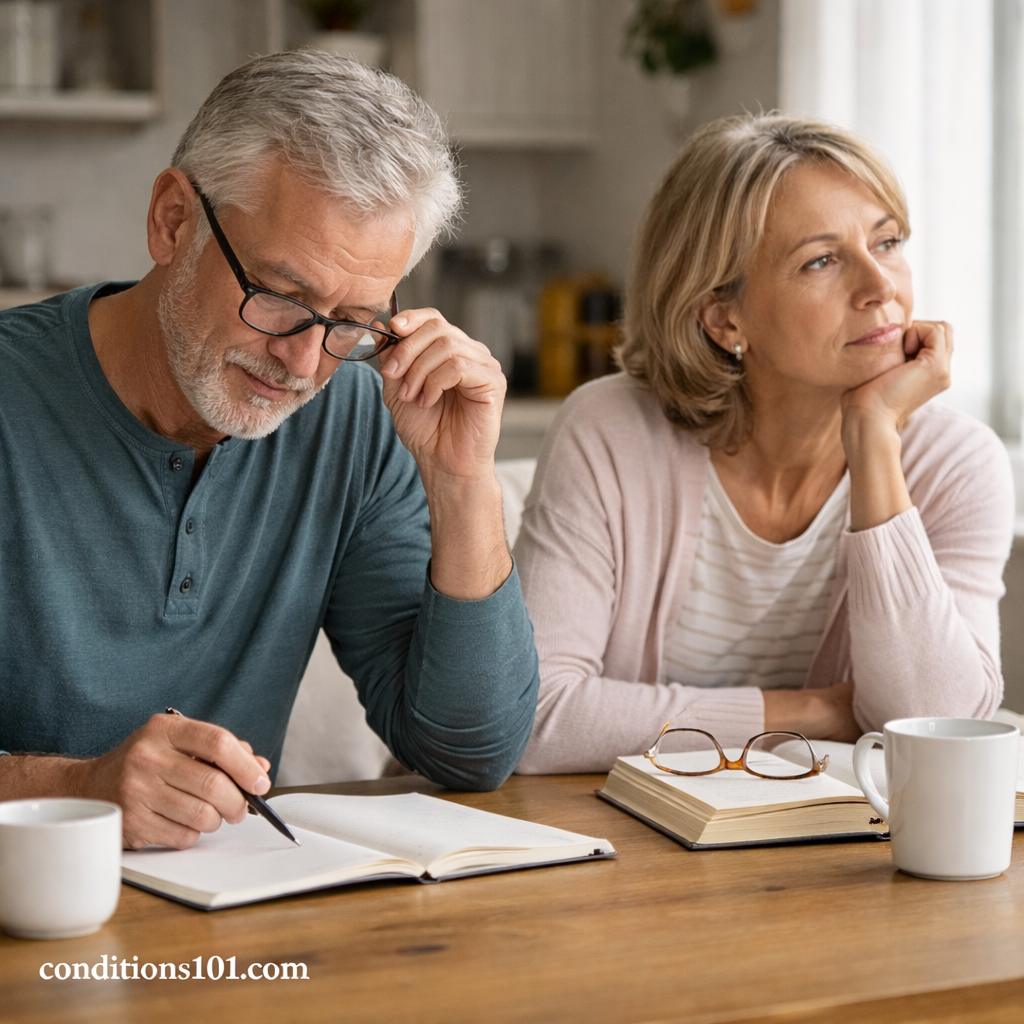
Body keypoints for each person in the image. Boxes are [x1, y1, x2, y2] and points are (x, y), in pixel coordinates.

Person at [0, 51, 539, 848]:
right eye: (280, 297)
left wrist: (462, 483)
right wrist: (74, 789)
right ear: (172, 220)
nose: (304, 362)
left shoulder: (358, 422)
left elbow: (471, 751)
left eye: (353, 319)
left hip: (246, 920)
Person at [513, 113, 1014, 774]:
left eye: (887, 242)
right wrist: (815, 713)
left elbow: (938, 725)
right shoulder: (610, 432)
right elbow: (537, 719)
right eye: (822, 260)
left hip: (826, 856)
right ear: (724, 318)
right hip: (619, 849)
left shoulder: (957, 464)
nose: (880, 286)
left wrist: (871, 439)